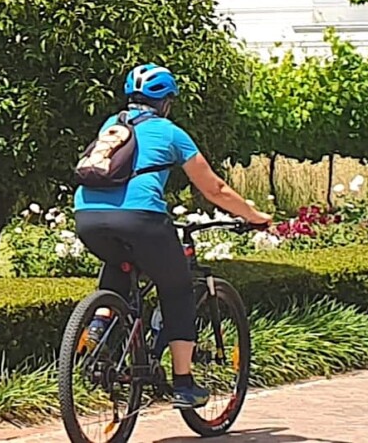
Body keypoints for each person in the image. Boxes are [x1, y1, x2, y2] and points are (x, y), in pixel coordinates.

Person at [71, 64, 272, 409]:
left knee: (120, 264)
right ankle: (183, 383)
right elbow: (216, 188)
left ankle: (100, 323)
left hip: (87, 217)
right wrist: (254, 217)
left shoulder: (111, 126)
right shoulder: (170, 132)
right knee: (176, 288)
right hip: (142, 219)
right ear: (165, 101)